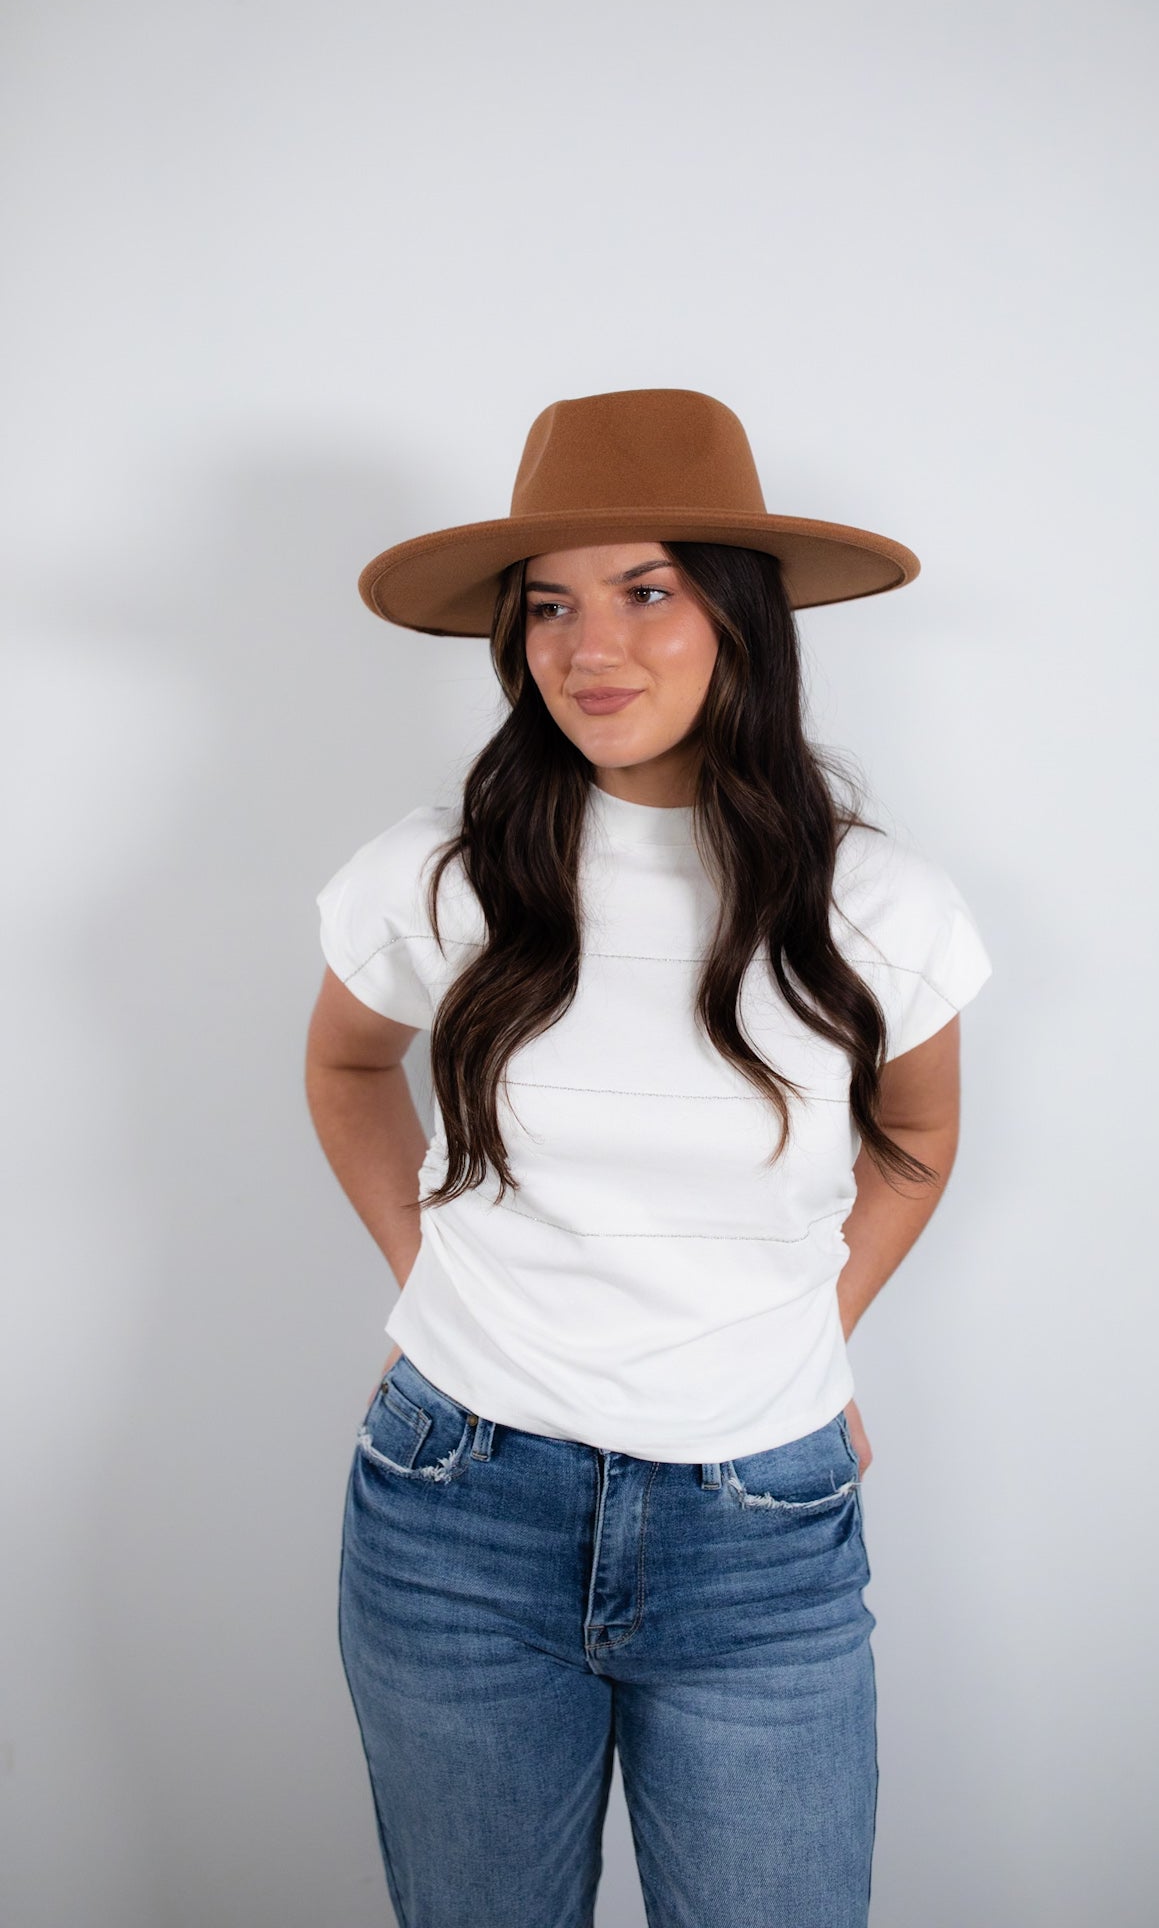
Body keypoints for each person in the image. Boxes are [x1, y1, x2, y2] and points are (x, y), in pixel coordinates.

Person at [304, 387, 992, 1928]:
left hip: (760, 1531)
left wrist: (814, 1328)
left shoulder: (880, 909)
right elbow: (345, 1067)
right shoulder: (440, 872)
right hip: (457, 1508)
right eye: (548, 604)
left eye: (644, 591)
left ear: (740, 615)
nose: (587, 648)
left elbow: (918, 1134)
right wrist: (427, 1271)